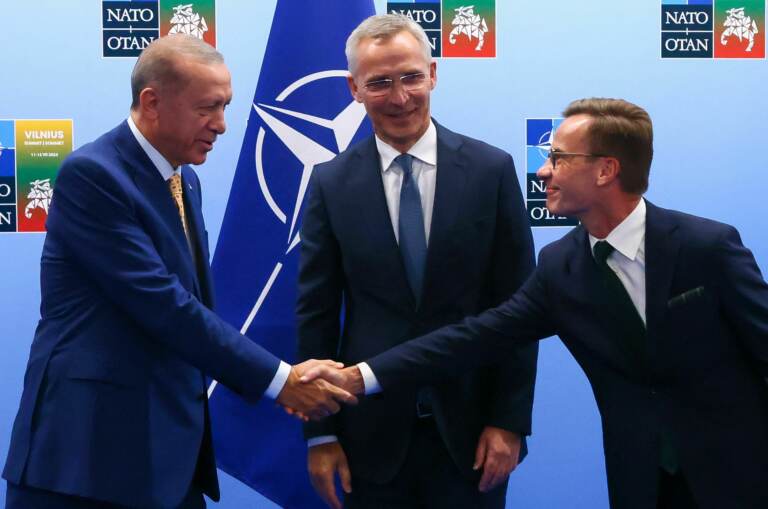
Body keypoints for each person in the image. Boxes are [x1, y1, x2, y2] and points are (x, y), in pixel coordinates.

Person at [304, 98, 768, 509]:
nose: (543, 171)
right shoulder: (561, 268)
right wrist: (359, 377)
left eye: (559, 159)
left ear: (606, 170)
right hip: (640, 481)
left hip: (743, 474)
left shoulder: (707, 247)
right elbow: (472, 338)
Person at [2, 35, 355, 509]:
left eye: (226, 106)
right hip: (84, 461)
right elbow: (165, 305)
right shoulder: (94, 175)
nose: (223, 126)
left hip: (165, 458)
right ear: (152, 102)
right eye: (208, 108)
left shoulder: (183, 179)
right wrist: (281, 380)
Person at [296, 13, 538, 509]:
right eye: (380, 83)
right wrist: (321, 436)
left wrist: (509, 421)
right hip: (369, 438)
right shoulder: (330, 183)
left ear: (433, 73)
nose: (400, 97)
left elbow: (520, 309)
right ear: (354, 89)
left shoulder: (491, 171)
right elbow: (316, 315)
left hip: (473, 436)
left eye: (410, 77)